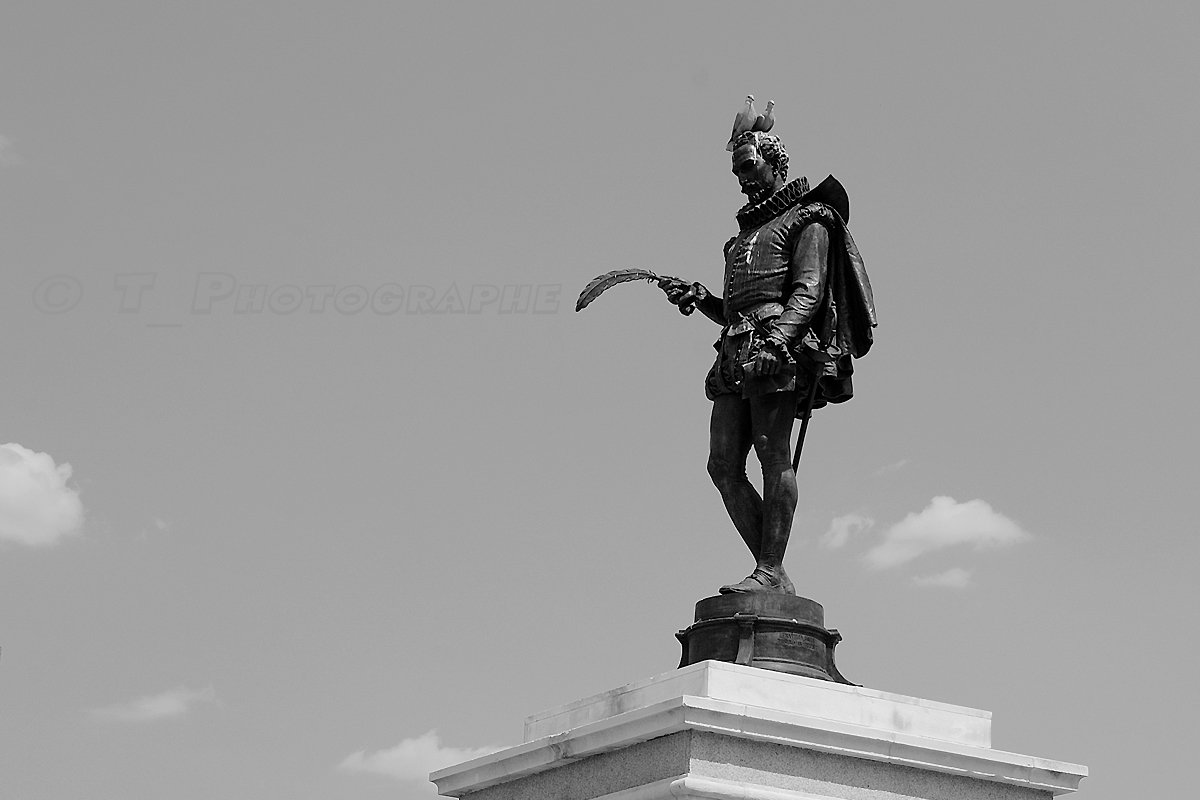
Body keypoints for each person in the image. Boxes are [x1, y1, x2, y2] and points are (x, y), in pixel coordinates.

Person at [661, 129, 875, 594]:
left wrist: (777, 343)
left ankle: (770, 569)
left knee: (771, 453)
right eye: (736, 170)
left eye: (748, 166)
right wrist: (701, 298)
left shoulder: (809, 219)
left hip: (775, 349)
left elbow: (809, 290)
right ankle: (773, 568)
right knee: (722, 466)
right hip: (734, 349)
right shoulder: (740, 238)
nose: (741, 178)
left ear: (775, 164)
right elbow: (736, 308)